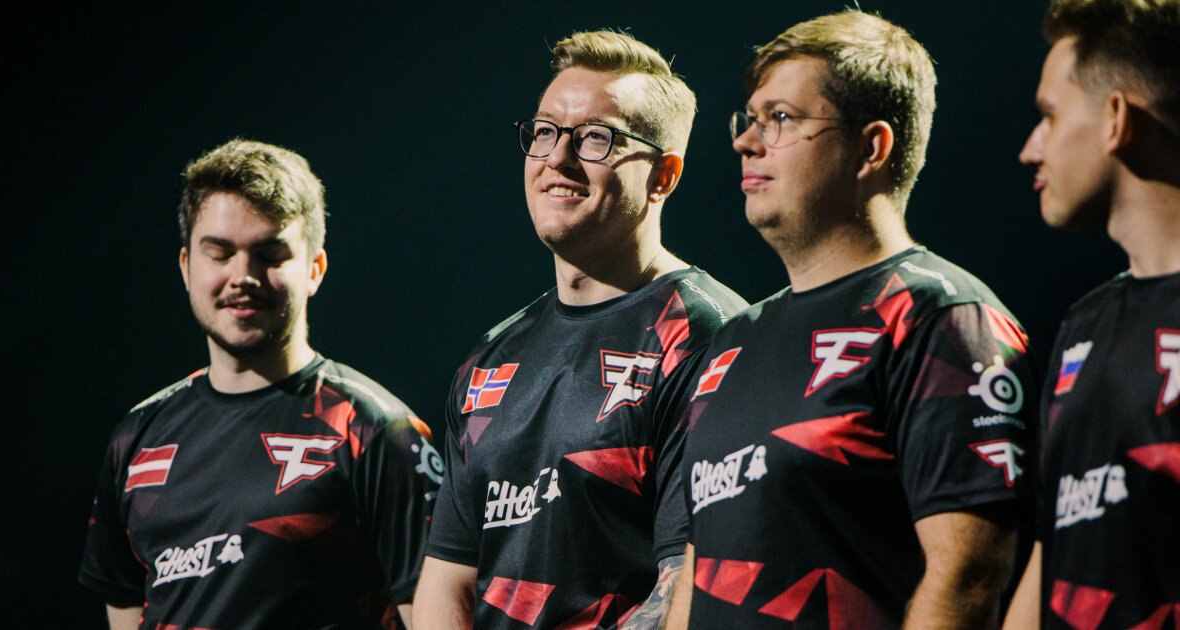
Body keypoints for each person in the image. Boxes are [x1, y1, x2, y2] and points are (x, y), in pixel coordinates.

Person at [665, 11, 1038, 629]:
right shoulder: (734, 339)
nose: (745, 142)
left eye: (781, 118)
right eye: (749, 118)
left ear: (871, 147)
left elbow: (966, 578)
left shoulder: (943, 319)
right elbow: (698, 565)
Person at [412, 30, 747, 630]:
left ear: (663, 175)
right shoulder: (489, 358)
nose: (556, 159)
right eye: (545, 131)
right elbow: (449, 581)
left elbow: (692, 585)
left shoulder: (709, 336)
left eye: (596, 137)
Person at [78, 139, 441, 629]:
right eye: (220, 253)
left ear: (314, 269)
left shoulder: (377, 431)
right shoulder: (136, 436)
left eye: (269, 254)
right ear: (187, 267)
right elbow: (125, 609)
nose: (242, 276)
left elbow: (438, 614)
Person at [1003, 1, 1180, 628]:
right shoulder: (1085, 324)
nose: (1030, 149)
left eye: (1050, 116)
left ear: (1115, 119)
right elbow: (1054, 549)